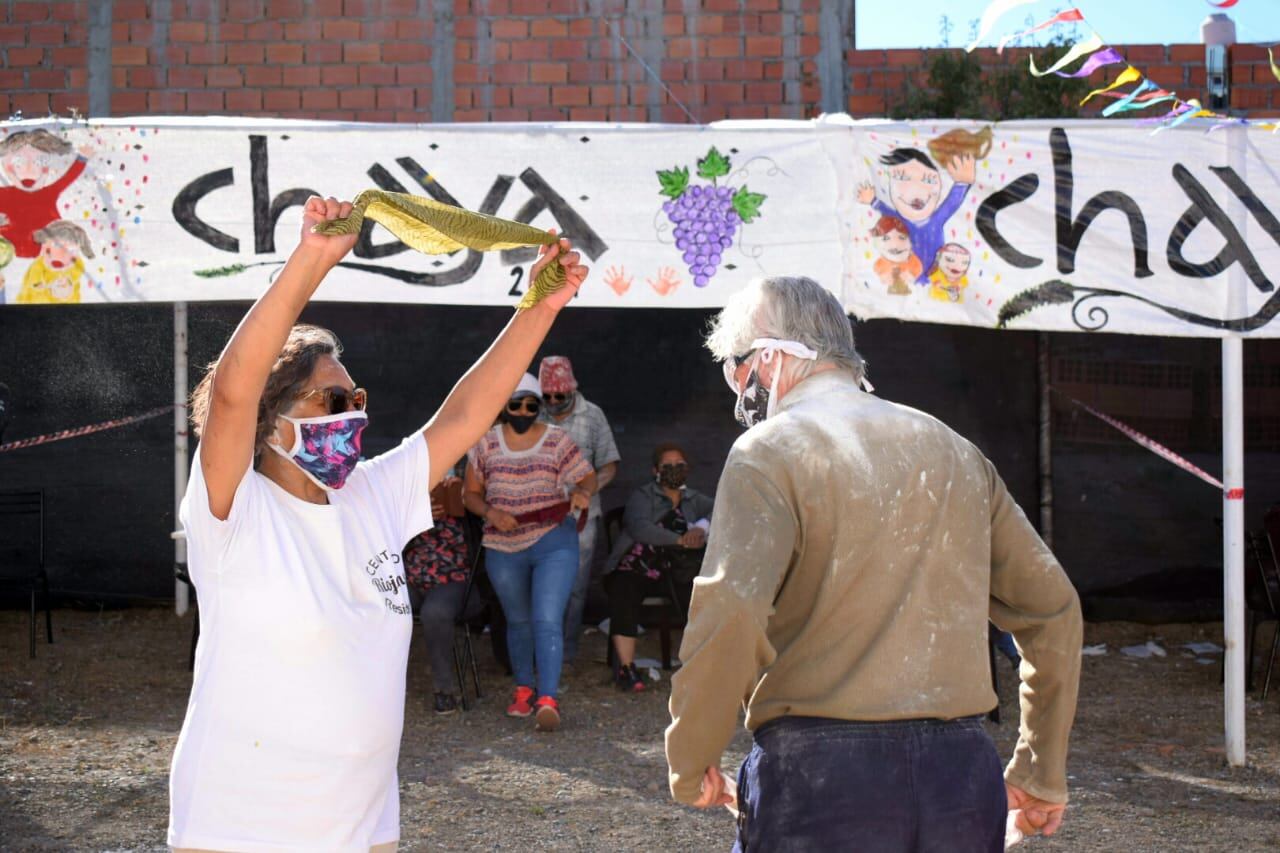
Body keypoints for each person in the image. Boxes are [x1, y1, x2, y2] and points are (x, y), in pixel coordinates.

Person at [172, 195, 588, 853]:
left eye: (356, 399)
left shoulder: (370, 495)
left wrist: (542, 306)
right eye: (333, 399)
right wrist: (309, 263)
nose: (353, 414)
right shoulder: (234, 506)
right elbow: (231, 391)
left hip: (363, 830)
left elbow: (462, 418)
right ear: (272, 416)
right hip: (239, 828)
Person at [664, 275, 1082, 852]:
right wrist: (1041, 770)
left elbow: (730, 611)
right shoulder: (955, 450)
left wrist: (693, 755)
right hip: (960, 774)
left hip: (821, 778)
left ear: (770, 359)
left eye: (736, 366)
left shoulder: (770, 451)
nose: (736, 385)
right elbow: (1053, 610)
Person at [463, 373, 597, 732]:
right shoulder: (485, 443)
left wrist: (583, 493)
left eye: (531, 405)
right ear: (503, 406)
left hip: (553, 538)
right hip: (502, 543)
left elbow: (587, 477)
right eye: (516, 403)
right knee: (517, 619)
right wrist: (491, 513)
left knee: (547, 618)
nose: (523, 410)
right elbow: (469, 495)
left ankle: (547, 698)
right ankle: (523, 688)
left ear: (539, 408)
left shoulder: (557, 440)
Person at [603, 442, 712, 692]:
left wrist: (701, 527)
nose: (674, 470)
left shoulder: (694, 498)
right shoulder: (643, 496)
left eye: (679, 465)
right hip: (640, 564)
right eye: (667, 466)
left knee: (703, 595)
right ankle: (627, 668)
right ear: (655, 471)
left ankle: (704, 666)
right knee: (624, 589)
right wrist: (679, 539)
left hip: (678, 568)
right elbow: (639, 527)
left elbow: (722, 508)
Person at [536, 355, 621, 662]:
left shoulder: (593, 415)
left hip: (581, 518)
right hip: (539, 517)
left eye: (560, 395)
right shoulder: (532, 413)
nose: (554, 401)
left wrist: (586, 490)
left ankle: (566, 649)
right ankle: (540, 649)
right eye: (548, 396)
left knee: (575, 586)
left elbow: (610, 465)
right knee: (540, 584)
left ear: (573, 388)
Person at [403, 463, 480, 716]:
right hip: (411, 577)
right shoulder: (405, 500)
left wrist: (463, 497)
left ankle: (444, 690)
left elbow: (483, 516)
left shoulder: (463, 493)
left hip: (452, 579)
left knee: (434, 613)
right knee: (379, 604)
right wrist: (415, 517)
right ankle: (373, 688)